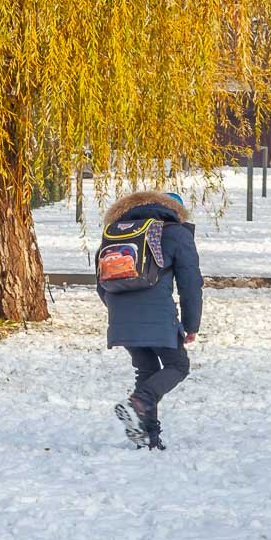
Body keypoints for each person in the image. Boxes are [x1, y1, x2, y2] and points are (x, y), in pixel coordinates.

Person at [100, 191, 202, 451]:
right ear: (175, 212)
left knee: (147, 371)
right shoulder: (176, 233)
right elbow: (190, 284)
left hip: (120, 315)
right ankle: (138, 403)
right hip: (158, 315)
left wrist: (119, 312)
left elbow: (101, 282)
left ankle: (148, 437)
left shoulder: (115, 232)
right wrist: (191, 325)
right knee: (178, 365)